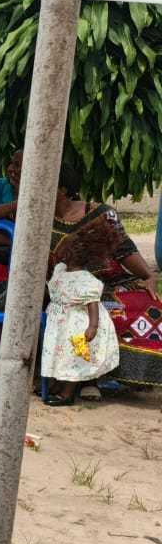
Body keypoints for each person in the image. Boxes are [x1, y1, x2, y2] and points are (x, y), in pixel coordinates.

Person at [49, 165, 162, 390]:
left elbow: (125, 251)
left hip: (107, 282)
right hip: (65, 288)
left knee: (148, 305)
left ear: (62, 189)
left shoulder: (101, 214)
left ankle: (137, 375)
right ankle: (86, 378)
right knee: (95, 310)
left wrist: (148, 276)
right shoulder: (34, 216)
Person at [42, 218, 121, 406]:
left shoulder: (86, 280)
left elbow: (92, 304)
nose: (59, 252)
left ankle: (67, 394)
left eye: (63, 250)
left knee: (73, 358)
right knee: (59, 355)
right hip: (60, 323)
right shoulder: (60, 271)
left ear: (71, 254)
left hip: (77, 325)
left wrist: (92, 327)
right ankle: (57, 385)